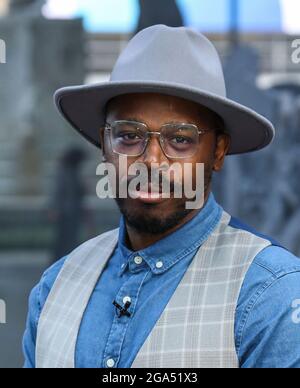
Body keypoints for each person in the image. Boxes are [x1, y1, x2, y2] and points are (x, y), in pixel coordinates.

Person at [23, 25, 300, 368]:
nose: (151, 162)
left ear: (218, 151)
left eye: (180, 139)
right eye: (127, 135)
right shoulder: (54, 288)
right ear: (104, 146)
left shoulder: (271, 295)